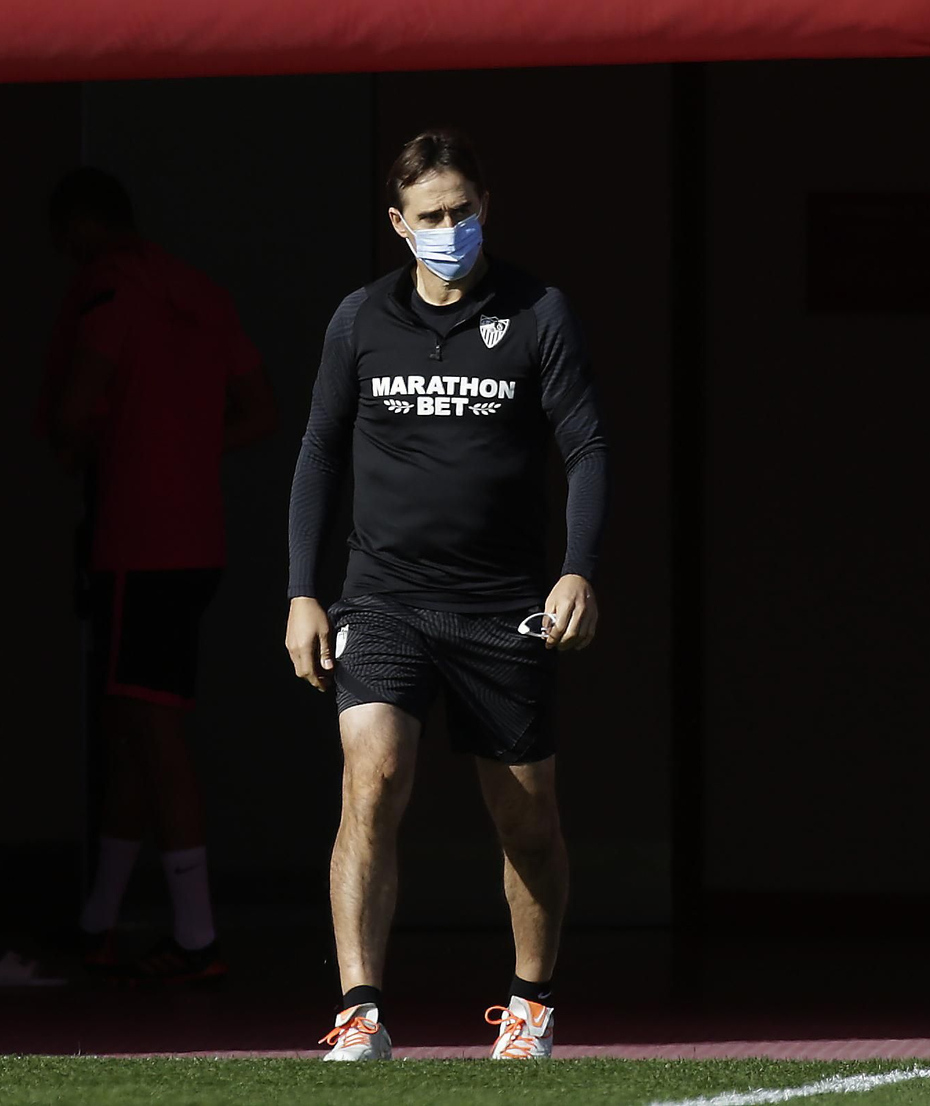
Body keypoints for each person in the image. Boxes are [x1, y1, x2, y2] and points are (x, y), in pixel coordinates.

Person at [284, 131, 608, 1059]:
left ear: (485, 207)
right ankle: (360, 1011)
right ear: (398, 225)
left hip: (503, 602)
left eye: (462, 210)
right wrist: (304, 592)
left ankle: (530, 1004)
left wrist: (577, 566)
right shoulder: (360, 319)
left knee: (525, 816)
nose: (449, 228)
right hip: (381, 595)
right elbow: (317, 452)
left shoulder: (539, 311)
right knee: (372, 775)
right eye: (430, 216)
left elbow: (586, 446)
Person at [39, 167, 275, 984]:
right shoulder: (200, 294)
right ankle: (98, 924)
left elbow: (74, 407)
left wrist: (117, 446)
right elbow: (259, 409)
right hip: (195, 539)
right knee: (134, 730)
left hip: (137, 542)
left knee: (154, 734)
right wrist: (187, 448)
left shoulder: (111, 292)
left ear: (76, 232)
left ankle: (197, 938)